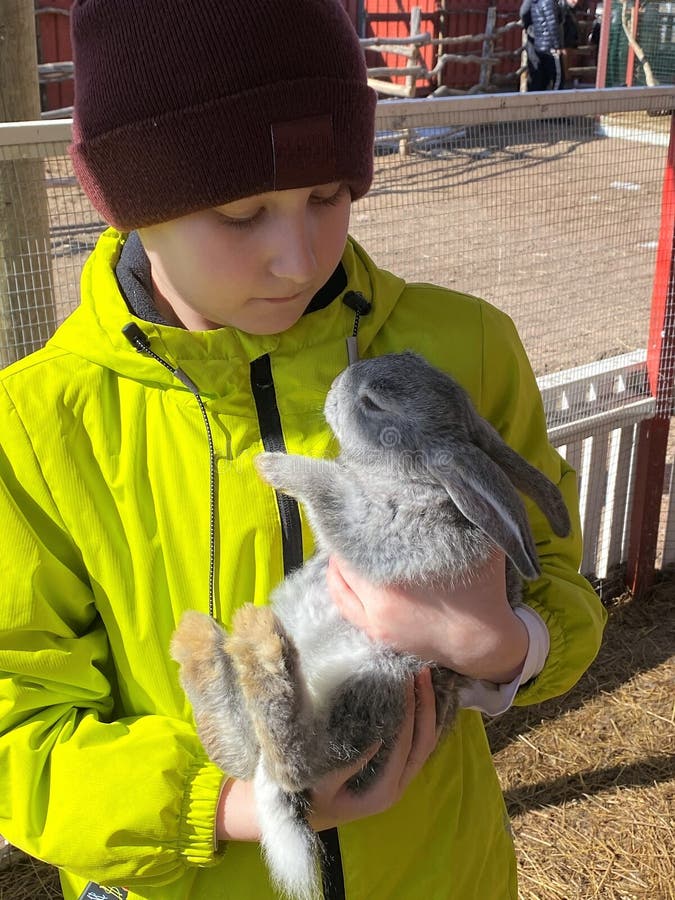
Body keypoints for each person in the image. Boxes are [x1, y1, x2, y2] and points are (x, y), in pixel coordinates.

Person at [0, 1, 605, 898]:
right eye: (242, 213)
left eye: (328, 197)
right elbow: (21, 726)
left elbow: (556, 579)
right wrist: (237, 805)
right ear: (132, 204)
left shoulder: (462, 346)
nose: (298, 256)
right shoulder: (40, 424)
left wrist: (504, 643)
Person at [521, 0, 566, 90]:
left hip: (539, 43)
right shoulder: (548, 2)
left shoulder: (534, 3)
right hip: (550, 45)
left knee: (539, 79)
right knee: (558, 78)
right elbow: (553, 25)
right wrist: (557, 46)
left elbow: (524, 14)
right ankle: (555, 101)